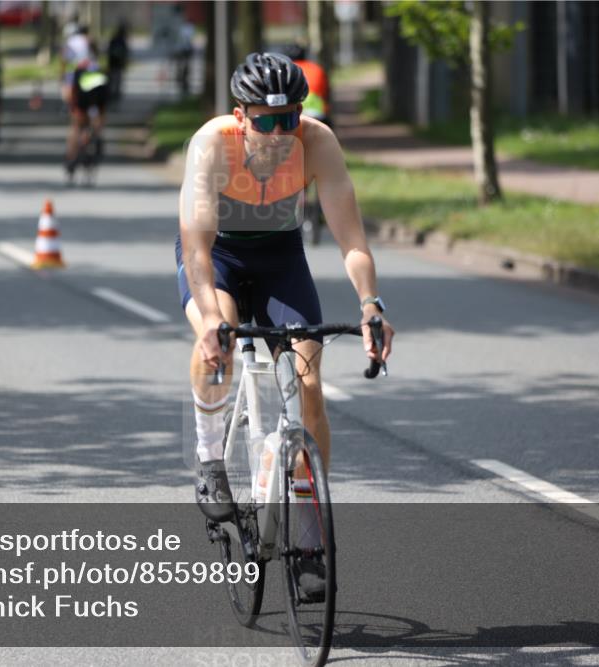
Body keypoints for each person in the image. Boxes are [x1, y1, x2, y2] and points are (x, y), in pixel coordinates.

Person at [177, 53, 394, 597]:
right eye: (265, 120)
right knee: (218, 346)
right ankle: (208, 459)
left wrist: (371, 305)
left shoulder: (316, 142)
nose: (278, 133)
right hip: (218, 260)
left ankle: (307, 531)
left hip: (280, 260)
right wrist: (208, 320)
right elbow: (196, 247)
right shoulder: (212, 144)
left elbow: (352, 239)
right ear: (239, 115)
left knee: (310, 386)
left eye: (289, 119)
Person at [65, 41, 109, 181]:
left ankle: (71, 158)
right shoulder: (99, 68)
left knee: (76, 127)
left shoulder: (78, 67)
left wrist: (71, 106)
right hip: (96, 102)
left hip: (81, 103)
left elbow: (71, 90)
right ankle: (95, 140)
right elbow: (104, 92)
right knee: (97, 125)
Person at [286, 44, 332, 128]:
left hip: (295, 113)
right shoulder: (317, 68)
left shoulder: (287, 70)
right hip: (318, 111)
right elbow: (326, 92)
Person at [106, 21, 129, 102]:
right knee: (117, 83)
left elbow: (108, 51)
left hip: (112, 63)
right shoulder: (122, 41)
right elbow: (125, 53)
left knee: (112, 82)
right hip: (118, 65)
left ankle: (112, 98)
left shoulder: (113, 39)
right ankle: (115, 98)